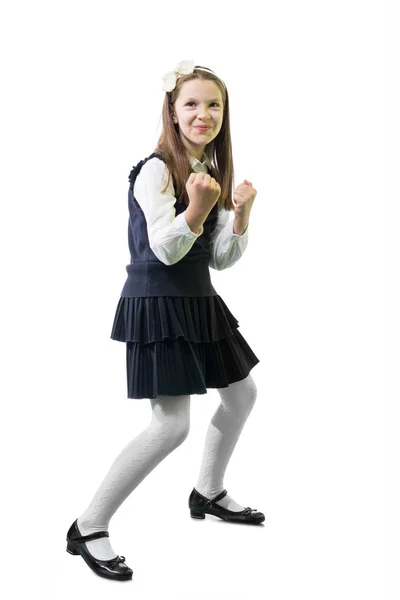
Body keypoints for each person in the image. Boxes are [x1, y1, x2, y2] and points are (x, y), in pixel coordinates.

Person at [66, 60, 263, 582]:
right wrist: (196, 209)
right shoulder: (156, 169)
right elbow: (165, 249)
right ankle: (88, 525)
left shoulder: (211, 170)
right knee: (171, 425)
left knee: (242, 394)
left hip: (200, 300)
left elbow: (217, 258)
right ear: (172, 113)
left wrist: (239, 217)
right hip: (158, 302)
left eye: (213, 104)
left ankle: (209, 491)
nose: (204, 114)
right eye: (192, 104)